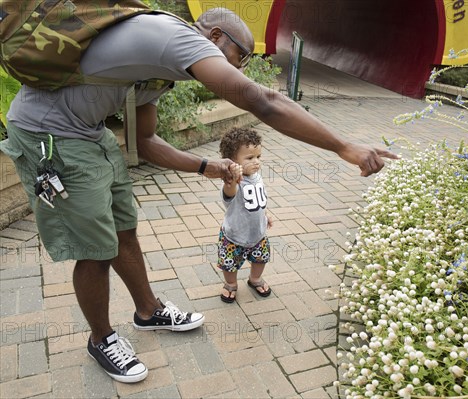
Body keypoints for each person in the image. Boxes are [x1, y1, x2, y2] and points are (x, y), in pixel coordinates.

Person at [0, 7, 398, 383]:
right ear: (214, 36)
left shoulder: (157, 73)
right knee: (95, 248)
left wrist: (210, 168)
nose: (238, 69)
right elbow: (263, 100)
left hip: (91, 136)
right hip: (50, 138)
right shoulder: (174, 38)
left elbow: (147, 141)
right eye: (238, 57)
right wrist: (344, 146)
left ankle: (149, 311)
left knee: (124, 230)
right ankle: (100, 338)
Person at [217, 128, 272, 303]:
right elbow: (229, 193)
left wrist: (265, 214)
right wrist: (232, 179)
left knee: (260, 258)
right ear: (232, 161)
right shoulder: (232, 182)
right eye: (249, 158)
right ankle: (230, 284)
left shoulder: (257, 176)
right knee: (230, 263)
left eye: (258, 157)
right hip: (235, 235)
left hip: (258, 233)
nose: (256, 162)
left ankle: (254, 279)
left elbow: (258, 199)